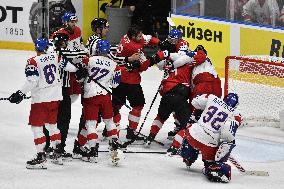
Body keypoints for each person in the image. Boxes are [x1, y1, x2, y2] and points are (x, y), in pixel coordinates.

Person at [8, 38, 74, 169]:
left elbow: (32, 81)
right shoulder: (56, 57)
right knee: (52, 126)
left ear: (36, 48)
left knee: (37, 128)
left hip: (40, 100)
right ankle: (57, 154)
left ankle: (41, 157)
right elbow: (71, 67)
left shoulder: (33, 61)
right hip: (55, 98)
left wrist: (20, 93)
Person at [170, 93, 242, 183]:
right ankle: (212, 167)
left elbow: (194, 102)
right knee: (227, 144)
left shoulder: (212, 98)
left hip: (193, 135)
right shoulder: (235, 115)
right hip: (209, 144)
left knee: (190, 129)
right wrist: (221, 154)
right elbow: (228, 136)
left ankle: (187, 156)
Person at [143, 49, 207, 147]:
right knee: (188, 122)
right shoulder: (189, 63)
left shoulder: (169, 64)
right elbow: (202, 58)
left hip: (167, 93)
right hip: (180, 91)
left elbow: (160, 65)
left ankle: (150, 137)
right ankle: (179, 145)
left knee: (161, 117)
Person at [76, 40, 122, 164]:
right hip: (105, 96)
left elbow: (79, 78)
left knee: (91, 124)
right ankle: (114, 147)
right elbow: (115, 84)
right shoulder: (115, 65)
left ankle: (92, 152)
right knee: (109, 121)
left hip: (90, 95)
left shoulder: (88, 60)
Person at [112, 24, 160, 141]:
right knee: (138, 105)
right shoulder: (132, 47)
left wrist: (159, 42)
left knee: (116, 105)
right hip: (130, 80)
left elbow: (146, 38)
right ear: (133, 36)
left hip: (118, 77)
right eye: (139, 36)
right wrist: (156, 57)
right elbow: (143, 66)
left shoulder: (127, 37)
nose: (141, 37)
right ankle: (131, 132)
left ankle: (110, 129)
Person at [48, 11, 86, 158]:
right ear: (65, 22)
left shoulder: (77, 31)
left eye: (75, 21)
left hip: (70, 70)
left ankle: (56, 143)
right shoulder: (57, 36)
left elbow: (79, 47)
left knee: (72, 96)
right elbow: (62, 55)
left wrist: (81, 59)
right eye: (71, 22)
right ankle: (52, 143)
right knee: (62, 110)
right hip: (63, 74)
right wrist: (79, 65)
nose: (74, 24)